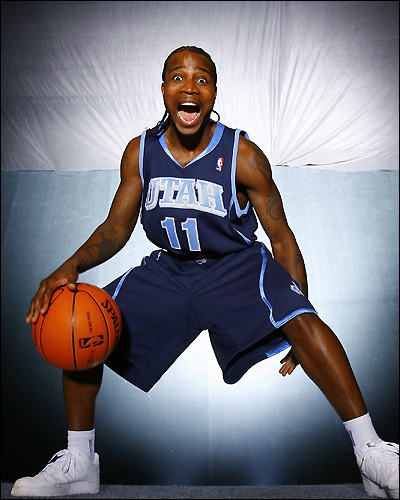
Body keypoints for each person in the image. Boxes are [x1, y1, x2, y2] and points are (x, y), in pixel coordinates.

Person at [11, 46, 398, 498]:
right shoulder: (141, 152)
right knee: (80, 322)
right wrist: (69, 268)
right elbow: (117, 227)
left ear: (214, 91)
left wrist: (296, 313)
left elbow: (282, 237)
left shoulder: (242, 155)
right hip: (169, 271)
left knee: (302, 317)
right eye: (178, 77)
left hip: (235, 268)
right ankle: (80, 460)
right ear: (163, 89)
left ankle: (371, 451)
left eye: (202, 79)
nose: (190, 88)